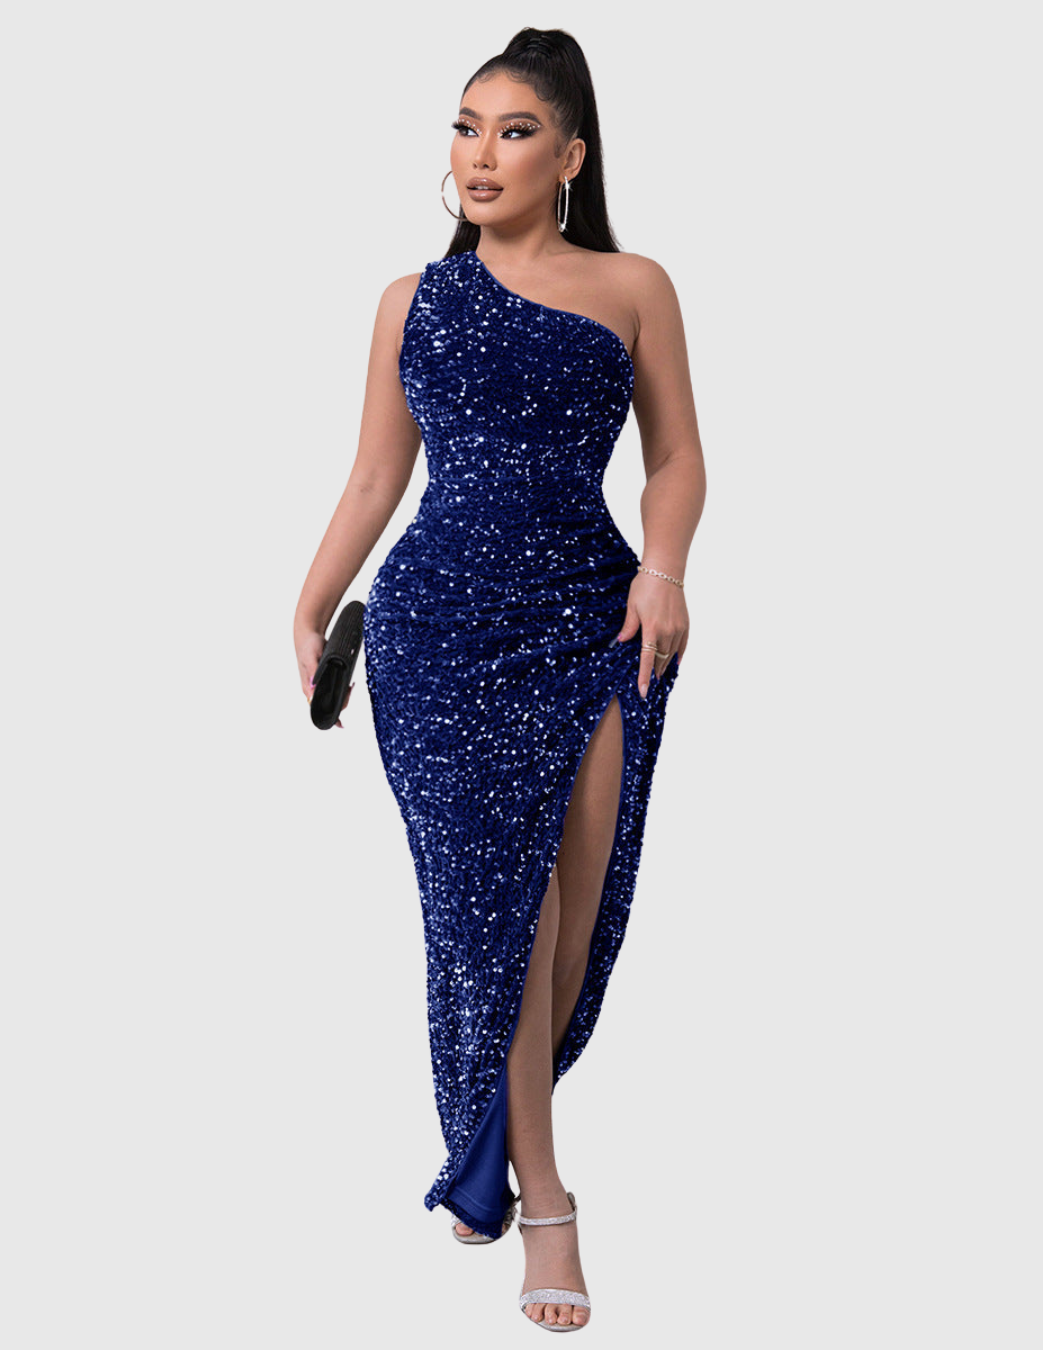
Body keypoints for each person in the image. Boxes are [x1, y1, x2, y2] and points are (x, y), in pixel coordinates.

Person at [293, 26, 705, 1332]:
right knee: (501, 921)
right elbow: (376, 473)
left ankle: (482, 1147)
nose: (482, 155)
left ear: (569, 157)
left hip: (594, 619)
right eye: (465, 128)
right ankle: (546, 1200)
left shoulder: (633, 286)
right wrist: (307, 602)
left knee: (571, 924)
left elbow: (677, 458)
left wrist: (666, 570)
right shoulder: (409, 302)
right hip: (436, 634)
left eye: (514, 131)